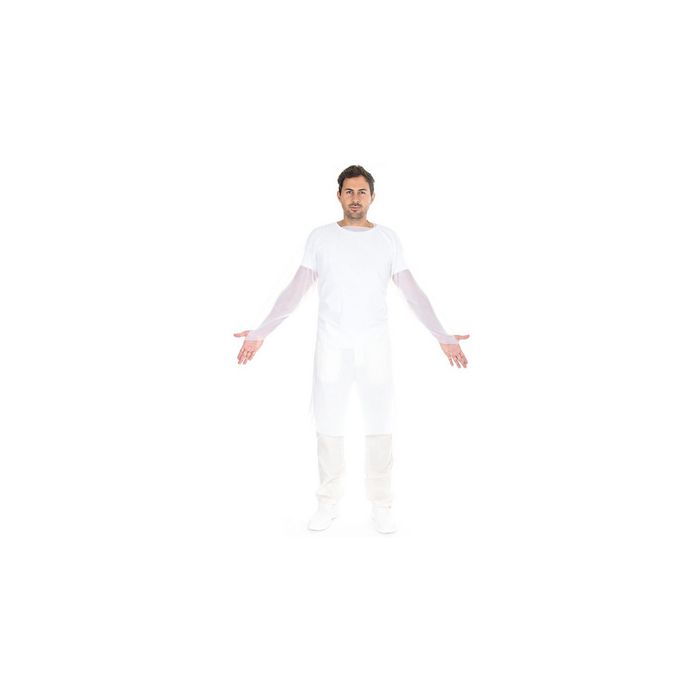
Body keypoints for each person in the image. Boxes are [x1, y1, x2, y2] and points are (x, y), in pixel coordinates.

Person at [235, 165, 469, 534]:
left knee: (380, 423)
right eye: (349, 191)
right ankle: (327, 502)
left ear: (372, 196)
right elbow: (296, 290)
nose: (355, 198)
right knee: (328, 423)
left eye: (362, 192)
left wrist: (442, 335)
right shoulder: (321, 238)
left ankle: (382, 504)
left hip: (374, 346)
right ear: (339, 195)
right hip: (332, 346)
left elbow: (412, 292)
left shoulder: (387, 239)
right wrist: (262, 331)